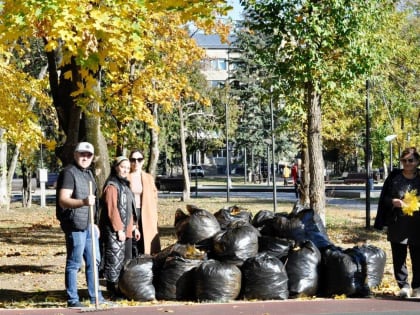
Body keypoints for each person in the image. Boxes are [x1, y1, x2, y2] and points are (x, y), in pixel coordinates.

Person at [56, 142, 108, 308]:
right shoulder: (68, 173)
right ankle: (73, 299)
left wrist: (95, 224)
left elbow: (93, 204)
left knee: (94, 262)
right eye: (82, 154)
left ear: (92, 157)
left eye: (88, 155)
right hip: (75, 225)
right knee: (74, 263)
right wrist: (83, 202)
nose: (85, 157)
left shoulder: (88, 174)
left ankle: (96, 297)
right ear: (75, 154)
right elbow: (63, 200)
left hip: (89, 225)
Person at [374, 147, 420, 298]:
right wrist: (393, 201)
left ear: (417, 162)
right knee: (399, 257)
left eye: (410, 160)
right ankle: (404, 286)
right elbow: (384, 199)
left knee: (418, 257)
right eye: (404, 160)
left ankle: (417, 287)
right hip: (397, 223)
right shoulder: (394, 177)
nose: (407, 163)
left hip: (417, 224)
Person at [100, 156, 140, 298]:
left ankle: (123, 290)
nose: (125, 170)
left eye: (128, 168)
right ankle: (113, 291)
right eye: (123, 167)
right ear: (116, 167)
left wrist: (135, 226)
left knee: (126, 262)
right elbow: (112, 209)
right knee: (114, 262)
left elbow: (130, 208)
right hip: (116, 232)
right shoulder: (112, 186)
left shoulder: (125, 185)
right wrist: (118, 229)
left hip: (128, 230)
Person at [128, 149, 161, 256]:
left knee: (146, 241)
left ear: (143, 161)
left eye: (139, 159)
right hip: (131, 212)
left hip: (146, 213)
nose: (136, 162)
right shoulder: (126, 177)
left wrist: (153, 213)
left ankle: (147, 262)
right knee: (133, 241)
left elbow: (154, 195)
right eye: (133, 159)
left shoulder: (148, 178)